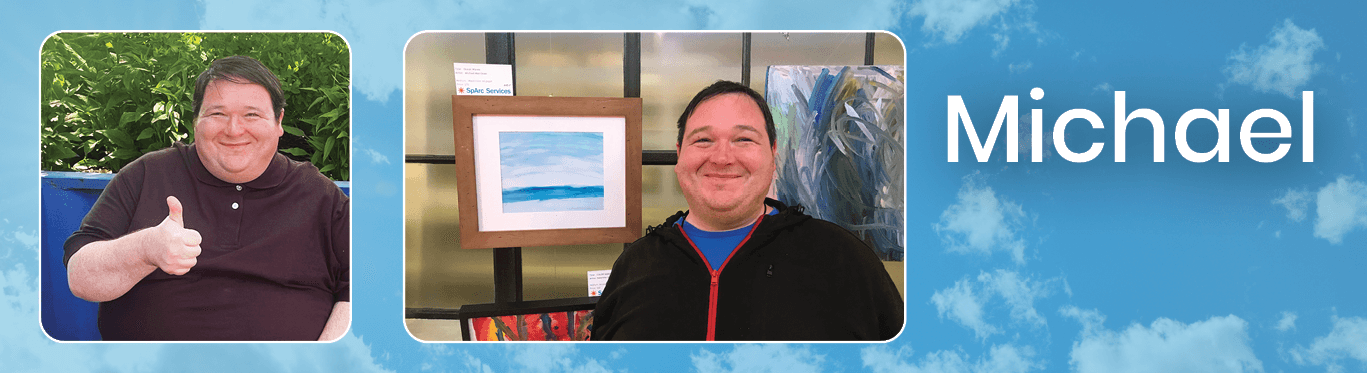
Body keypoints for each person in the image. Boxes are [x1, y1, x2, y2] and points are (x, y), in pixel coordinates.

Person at [64, 56, 350, 341]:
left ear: (279, 122)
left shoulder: (320, 196)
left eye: (252, 115)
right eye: (217, 114)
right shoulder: (146, 175)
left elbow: (364, 290)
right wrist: (145, 249)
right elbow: (81, 278)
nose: (234, 130)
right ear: (196, 122)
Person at [592, 80, 903, 340]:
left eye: (743, 139)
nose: (722, 157)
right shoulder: (633, 266)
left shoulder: (845, 261)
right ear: (679, 154)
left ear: (772, 153)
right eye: (703, 140)